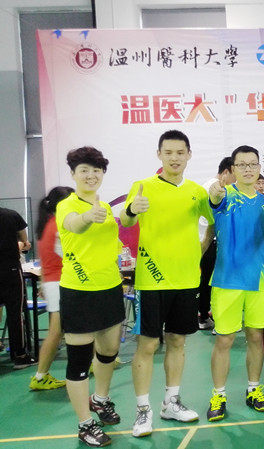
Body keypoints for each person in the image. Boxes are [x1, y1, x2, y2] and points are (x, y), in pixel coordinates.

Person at [121, 130, 215, 437]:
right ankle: (142, 411)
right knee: (148, 345)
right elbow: (126, 219)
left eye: (180, 152)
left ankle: (170, 403)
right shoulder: (144, 186)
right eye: (169, 152)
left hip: (186, 279)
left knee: (177, 342)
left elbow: (213, 221)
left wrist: (201, 247)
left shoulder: (196, 192)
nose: (174, 158)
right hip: (152, 281)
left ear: (189, 155)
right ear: (159, 154)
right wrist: (132, 209)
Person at [57, 146, 126, 447]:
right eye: (84, 170)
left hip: (109, 287)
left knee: (109, 351)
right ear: (73, 174)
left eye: (96, 170)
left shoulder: (106, 207)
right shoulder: (67, 206)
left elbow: (111, 242)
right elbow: (74, 224)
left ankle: (100, 399)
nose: (91, 175)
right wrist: (87, 216)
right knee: (79, 361)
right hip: (79, 291)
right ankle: (85, 424)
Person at [205, 145, 264, 422]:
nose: (248, 169)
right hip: (227, 280)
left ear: (259, 167)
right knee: (225, 339)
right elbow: (214, 198)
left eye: (253, 164)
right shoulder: (225, 196)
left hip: (259, 280)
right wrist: (215, 192)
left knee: (256, 337)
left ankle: (253, 389)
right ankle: (218, 394)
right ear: (233, 169)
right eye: (242, 165)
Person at [29, 186, 74, 390]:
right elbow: (71, 256)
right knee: (55, 332)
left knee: (75, 328)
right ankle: (40, 377)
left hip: (53, 282)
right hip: (59, 282)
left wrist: (43, 284)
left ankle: (92, 361)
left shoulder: (47, 224)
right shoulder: (59, 225)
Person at [198, 157, 235, 331]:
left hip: (206, 241)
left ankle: (205, 316)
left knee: (206, 281)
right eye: (234, 175)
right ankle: (215, 320)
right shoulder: (217, 189)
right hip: (211, 241)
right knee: (215, 282)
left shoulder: (206, 186)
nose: (236, 181)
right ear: (226, 172)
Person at [0, 204, 34, 369]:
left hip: (9, 268)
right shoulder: (11, 215)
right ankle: (20, 356)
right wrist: (21, 245)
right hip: (10, 270)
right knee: (15, 313)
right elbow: (24, 240)